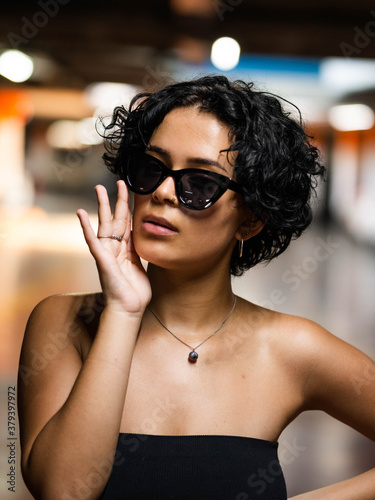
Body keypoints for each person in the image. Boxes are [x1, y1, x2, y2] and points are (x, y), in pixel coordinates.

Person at [18, 75, 375, 500]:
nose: (164, 192)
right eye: (153, 168)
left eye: (201, 183)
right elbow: (63, 491)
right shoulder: (63, 322)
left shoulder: (292, 349)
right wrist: (123, 312)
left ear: (251, 218)